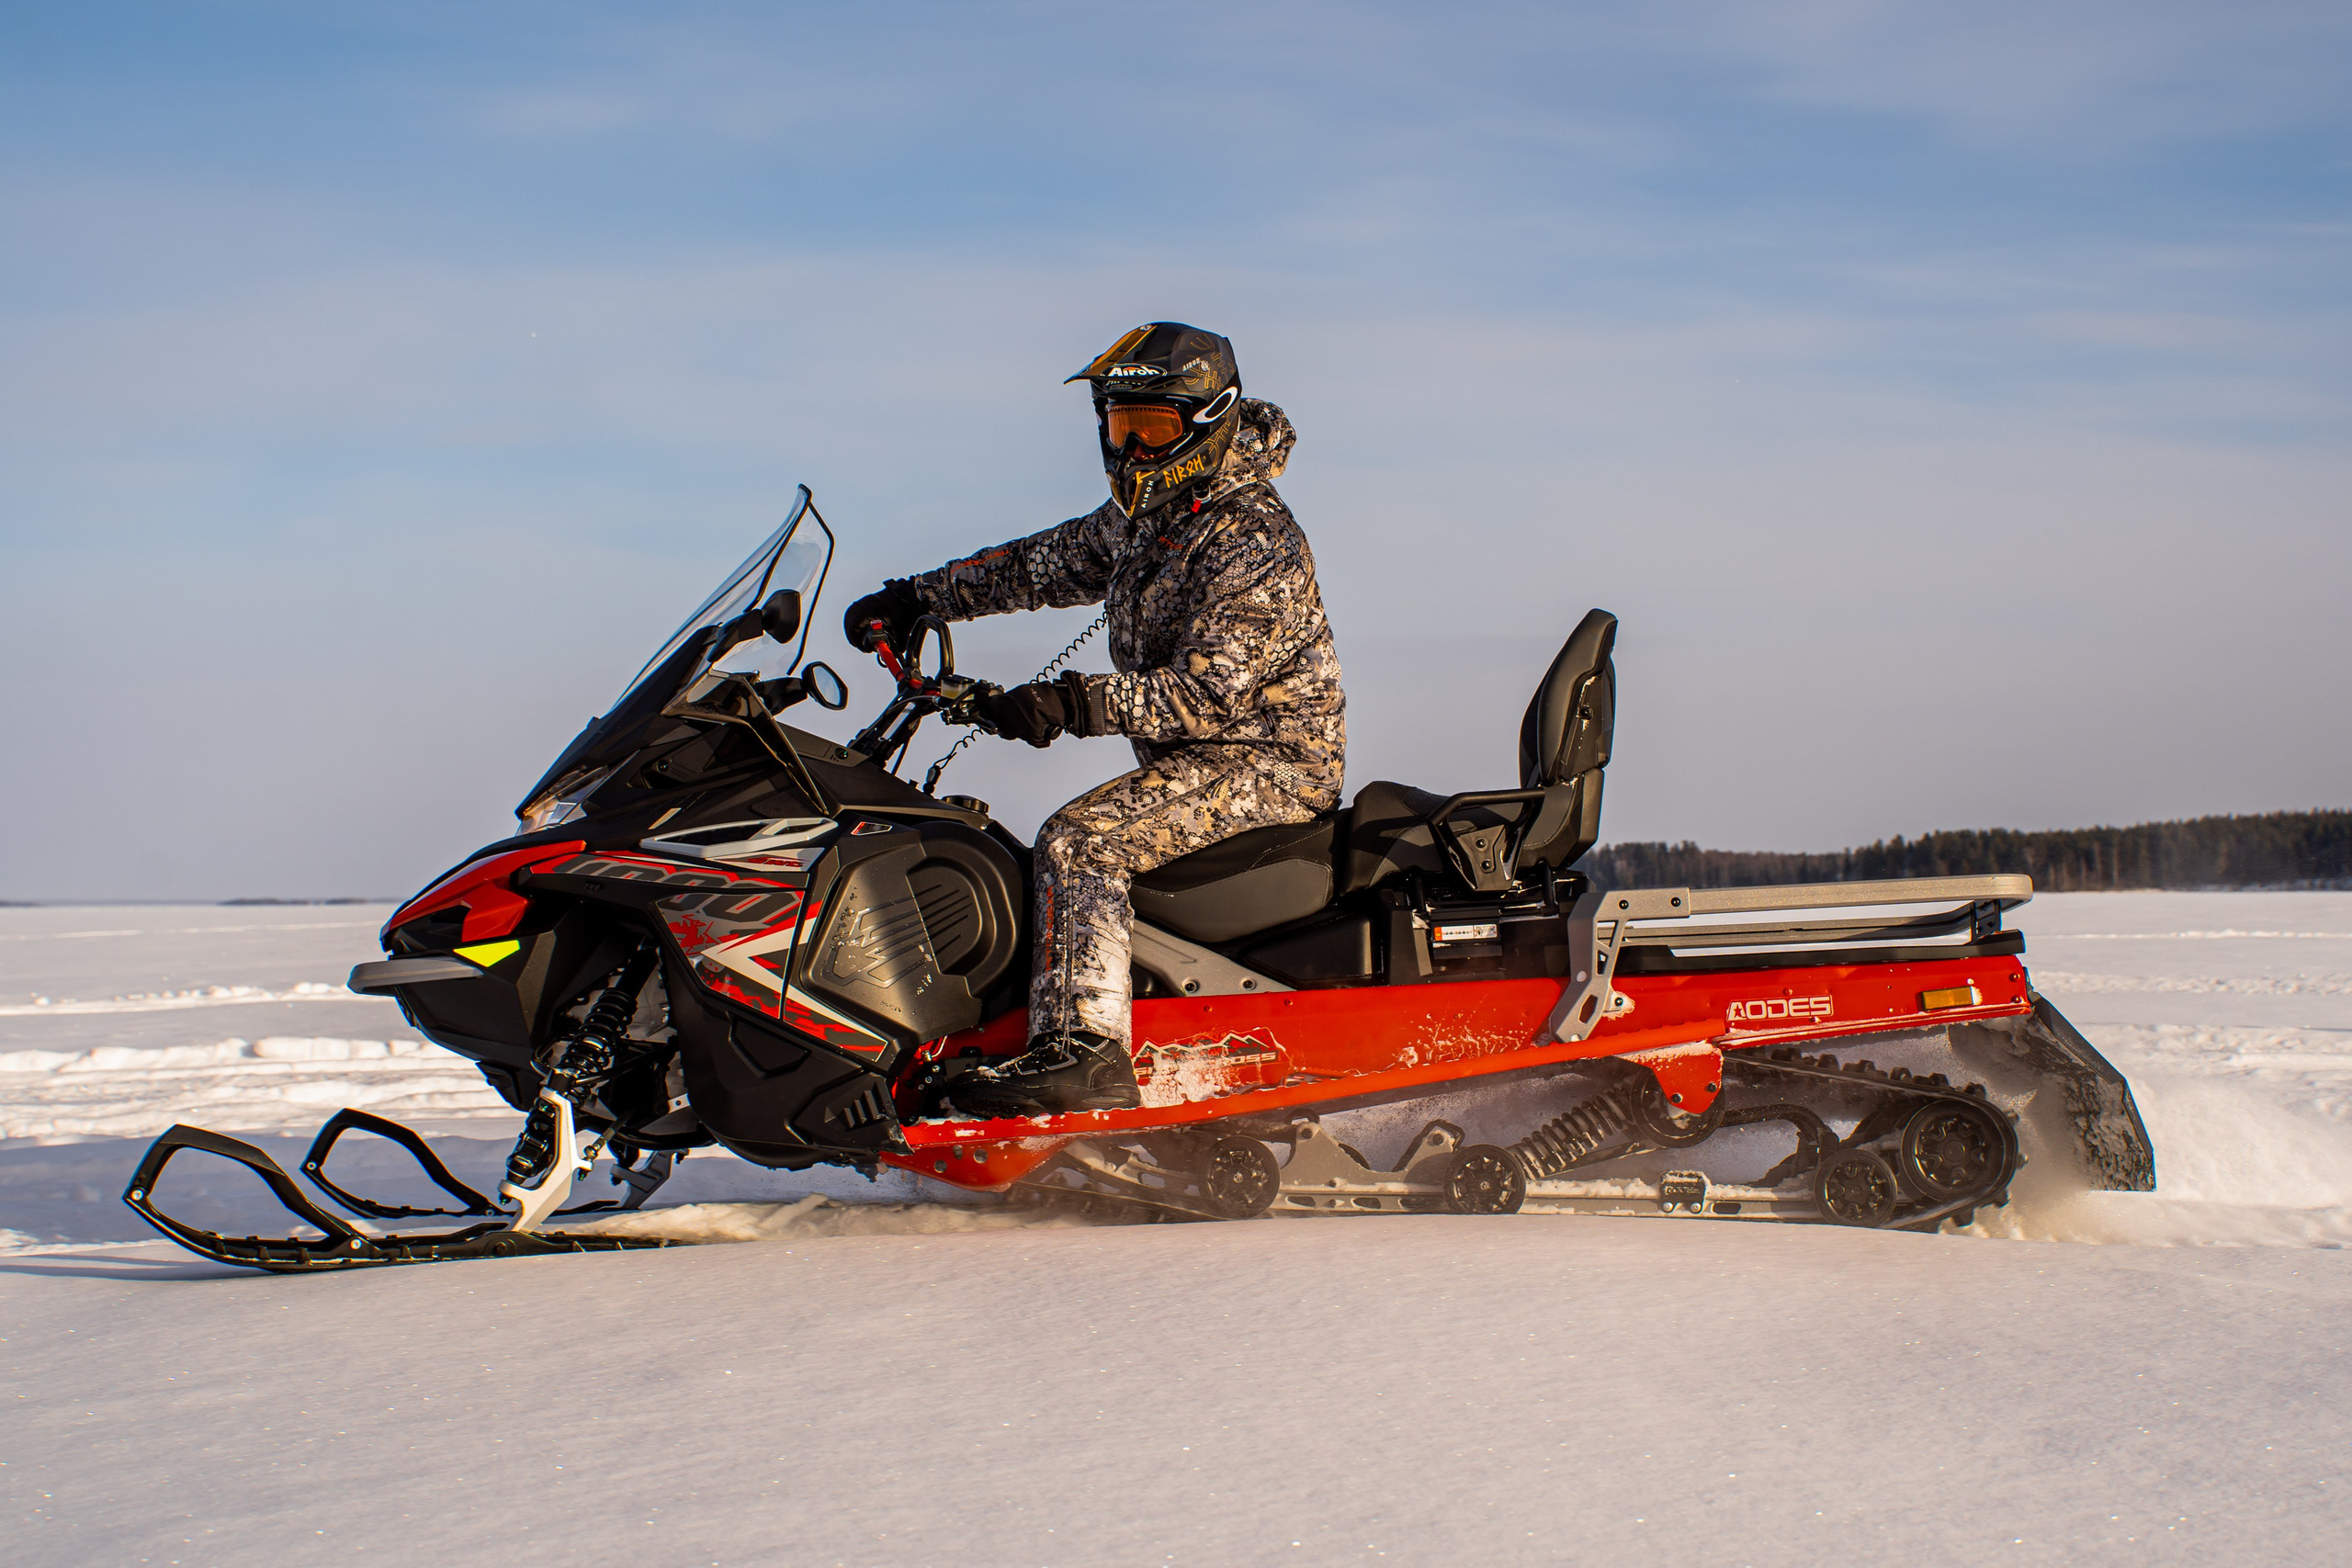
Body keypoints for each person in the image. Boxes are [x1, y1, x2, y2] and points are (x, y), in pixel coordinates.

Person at [841, 322, 1346, 1116]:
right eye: (1120, 427)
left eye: (1154, 429)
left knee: (1081, 840)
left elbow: (1204, 697)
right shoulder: (1160, 511)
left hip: (1267, 763)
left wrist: (1071, 702)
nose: (1135, 451)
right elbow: (1043, 562)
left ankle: (1085, 1050)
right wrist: (918, 597)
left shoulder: (1252, 538)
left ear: (1208, 421)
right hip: (1204, 757)